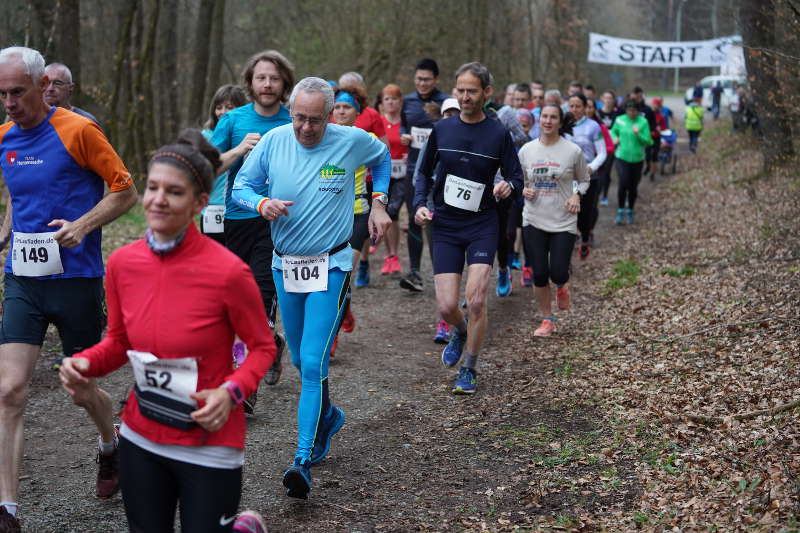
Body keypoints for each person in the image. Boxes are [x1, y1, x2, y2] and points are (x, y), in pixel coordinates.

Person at [59, 130, 275, 533]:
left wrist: (231, 393)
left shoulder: (229, 273)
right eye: (153, 187)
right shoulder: (123, 264)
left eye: (173, 192)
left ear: (199, 203)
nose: (158, 199)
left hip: (209, 439)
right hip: (143, 433)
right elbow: (120, 342)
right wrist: (84, 363)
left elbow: (263, 348)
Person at [232, 77, 392, 499]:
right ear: (290, 112)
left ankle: (301, 460)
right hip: (287, 266)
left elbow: (384, 156)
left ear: (330, 114)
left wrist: (379, 202)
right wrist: (261, 204)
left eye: (315, 121)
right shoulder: (272, 142)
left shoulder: (351, 140)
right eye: (299, 118)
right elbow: (241, 188)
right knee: (304, 363)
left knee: (314, 360)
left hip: (333, 264)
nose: (306, 128)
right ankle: (329, 416)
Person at [0, 46, 138, 530]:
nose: (10, 102)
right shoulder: (3, 139)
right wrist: (5, 232)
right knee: (10, 389)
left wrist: (80, 225)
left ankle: (110, 443)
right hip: (24, 280)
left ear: (42, 86)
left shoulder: (79, 130)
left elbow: (126, 191)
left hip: (77, 279)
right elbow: (20, 194)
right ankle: (8, 510)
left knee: (81, 389)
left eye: (17, 92)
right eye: (2, 94)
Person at [414, 62, 523, 395]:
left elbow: (517, 176)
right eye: (460, 90)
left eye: (471, 91)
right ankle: (458, 331)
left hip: (481, 224)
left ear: (486, 93)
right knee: (448, 307)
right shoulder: (443, 130)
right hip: (445, 224)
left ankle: (470, 368)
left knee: (475, 301)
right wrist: (420, 204)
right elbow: (422, 172)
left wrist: (508, 187)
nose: (464, 96)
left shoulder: (497, 133)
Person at [211, 50, 293, 388]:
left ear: (284, 83)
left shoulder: (293, 120)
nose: (268, 84)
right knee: (232, 297)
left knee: (261, 293)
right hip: (238, 218)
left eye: (274, 78)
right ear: (250, 82)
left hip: (278, 220)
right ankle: (271, 344)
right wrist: (238, 149)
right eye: (261, 77)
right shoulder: (233, 121)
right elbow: (209, 166)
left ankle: (246, 385)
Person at [518, 103, 589, 337]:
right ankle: (547, 320)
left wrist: (576, 195)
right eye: (544, 117)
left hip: (563, 220)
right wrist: (523, 190)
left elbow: (585, 179)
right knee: (539, 273)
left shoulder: (572, 151)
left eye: (553, 117)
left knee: (558, 271)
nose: (548, 121)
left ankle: (562, 285)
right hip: (533, 218)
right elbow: (518, 179)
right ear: (539, 120)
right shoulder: (527, 150)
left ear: (560, 121)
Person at [398, 58, 448, 293]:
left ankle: (444, 272)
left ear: (436, 79)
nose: (423, 83)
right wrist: (404, 136)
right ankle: (415, 272)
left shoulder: (445, 102)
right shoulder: (407, 101)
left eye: (427, 79)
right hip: (414, 170)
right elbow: (402, 127)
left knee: (439, 221)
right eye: (419, 79)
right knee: (414, 218)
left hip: (440, 172)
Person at [201, 84, 248, 245]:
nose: (223, 112)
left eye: (229, 107)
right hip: (212, 209)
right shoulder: (206, 137)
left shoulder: (248, 136)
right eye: (218, 107)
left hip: (241, 210)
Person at [567, 93, 606, 260]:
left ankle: (584, 238)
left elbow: (602, 153)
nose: (574, 109)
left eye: (578, 106)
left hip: (588, 176)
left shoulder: (593, 126)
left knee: (585, 214)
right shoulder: (563, 125)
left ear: (585, 108)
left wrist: (591, 167)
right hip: (567, 177)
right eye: (572, 106)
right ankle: (566, 252)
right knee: (567, 213)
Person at [378, 83, 408, 275]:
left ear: (400, 101)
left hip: (404, 174)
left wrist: (410, 153)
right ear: (382, 103)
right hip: (384, 174)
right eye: (387, 99)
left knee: (393, 211)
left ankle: (394, 255)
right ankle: (390, 256)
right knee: (389, 213)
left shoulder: (406, 122)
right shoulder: (379, 121)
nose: (390, 102)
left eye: (394, 99)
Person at [610, 100, 652, 224]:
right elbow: (613, 131)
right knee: (623, 182)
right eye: (629, 110)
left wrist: (638, 134)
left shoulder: (643, 122)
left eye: (634, 111)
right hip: (622, 156)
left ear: (638, 111)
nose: (631, 113)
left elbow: (648, 141)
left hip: (637, 158)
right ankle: (620, 209)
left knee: (633, 186)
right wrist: (614, 138)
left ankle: (630, 210)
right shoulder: (620, 120)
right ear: (626, 110)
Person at [586, 98, 616, 212]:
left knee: (592, 202)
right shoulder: (572, 126)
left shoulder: (600, 127)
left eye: (590, 107)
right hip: (576, 170)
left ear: (594, 109)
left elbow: (610, 146)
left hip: (596, 169)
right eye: (585, 106)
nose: (587, 110)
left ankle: (589, 227)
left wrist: (596, 152)